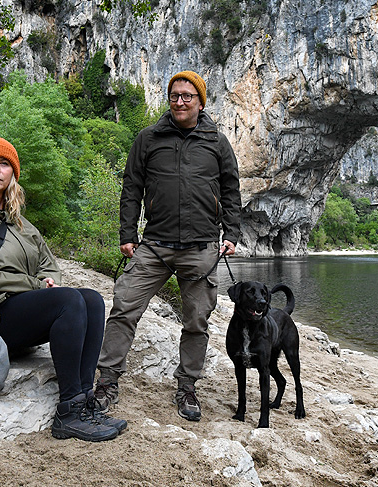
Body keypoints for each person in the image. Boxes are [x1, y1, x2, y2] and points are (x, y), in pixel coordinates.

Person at [0, 136, 126, 442]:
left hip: (11, 311)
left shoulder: (22, 225)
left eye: (4, 164)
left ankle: (84, 401)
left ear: (13, 174)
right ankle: (69, 414)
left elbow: (48, 264)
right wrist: (34, 284)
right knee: (69, 301)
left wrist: (46, 280)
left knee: (92, 300)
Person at [93, 70, 241, 421]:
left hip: (202, 247)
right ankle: (107, 381)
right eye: (175, 95)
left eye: (188, 96)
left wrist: (231, 233)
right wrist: (127, 235)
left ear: (200, 101)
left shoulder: (217, 142)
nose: (180, 101)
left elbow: (232, 190)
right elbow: (132, 188)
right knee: (124, 307)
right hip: (154, 245)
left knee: (197, 320)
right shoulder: (148, 138)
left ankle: (187, 386)